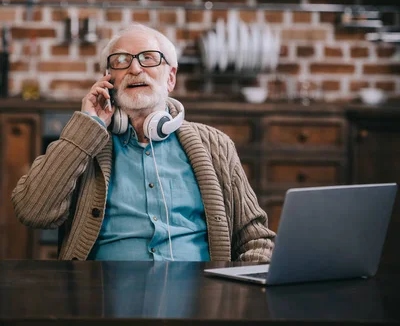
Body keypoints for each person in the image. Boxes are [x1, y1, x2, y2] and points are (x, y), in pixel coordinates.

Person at [12, 23, 275, 262]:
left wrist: (233, 294)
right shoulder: (86, 142)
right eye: (121, 61)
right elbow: (33, 211)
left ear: (170, 77)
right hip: (101, 299)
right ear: (108, 79)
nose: (135, 68)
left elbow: (257, 239)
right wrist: (86, 126)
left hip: (199, 299)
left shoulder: (216, 145)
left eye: (148, 58)